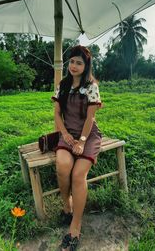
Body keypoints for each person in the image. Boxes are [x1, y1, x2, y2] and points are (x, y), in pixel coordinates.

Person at [52, 45, 102, 251]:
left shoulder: (91, 86)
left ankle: (76, 224)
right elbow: (56, 114)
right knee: (63, 166)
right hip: (67, 134)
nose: (73, 66)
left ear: (86, 65)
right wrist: (64, 134)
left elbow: (90, 118)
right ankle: (67, 206)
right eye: (71, 61)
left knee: (78, 174)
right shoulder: (62, 85)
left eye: (79, 63)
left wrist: (81, 141)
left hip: (87, 136)